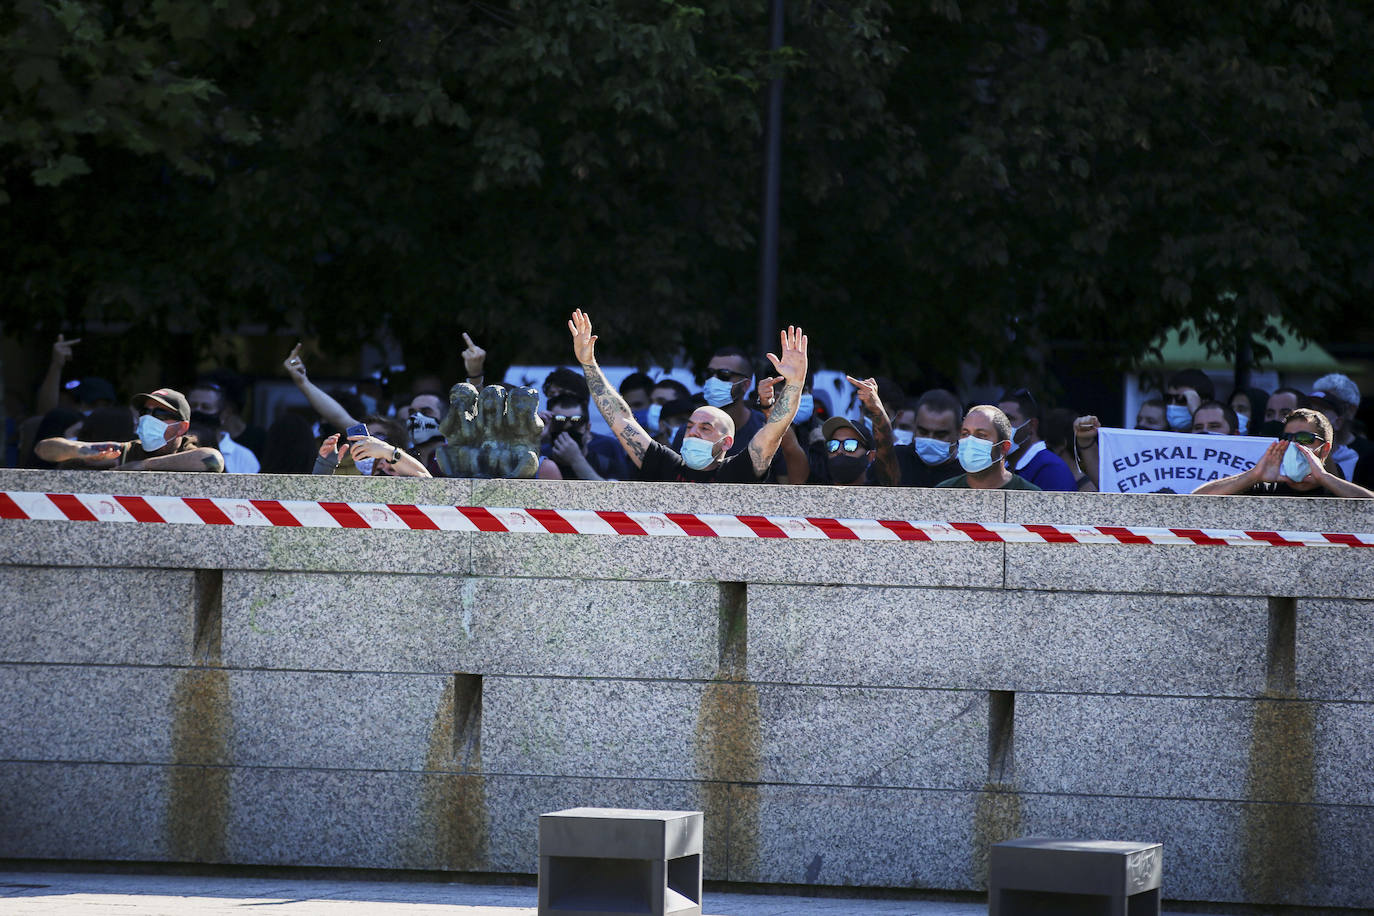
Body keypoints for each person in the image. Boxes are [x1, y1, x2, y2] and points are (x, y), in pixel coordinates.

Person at [570, 310, 806, 483]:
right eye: (691, 425)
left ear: (727, 442)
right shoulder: (665, 464)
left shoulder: (740, 470)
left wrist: (795, 382)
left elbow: (774, 431)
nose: (692, 432)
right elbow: (621, 419)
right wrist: (588, 363)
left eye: (705, 428)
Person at [1193, 409, 1372, 498]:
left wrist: (1325, 478)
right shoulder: (1268, 484)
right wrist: (1253, 475)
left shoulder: (1336, 490)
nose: (1294, 444)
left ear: (1325, 449)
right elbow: (1197, 498)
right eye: (1288, 437)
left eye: (1303, 437)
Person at [34, 388, 224, 472]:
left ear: (182, 427)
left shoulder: (187, 450)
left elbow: (212, 460)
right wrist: (82, 452)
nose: (149, 418)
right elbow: (43, 449)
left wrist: (144, 465)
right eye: (145, 412)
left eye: (159, 413)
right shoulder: (125, 451)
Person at [813, 377, 898, 486]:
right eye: (833, 445)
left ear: (870, 456)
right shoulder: (816, 488)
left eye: (850, 445)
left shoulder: (879, 491)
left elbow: (885, 446)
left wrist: (876, 409)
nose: (839, 450)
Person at [936, 406, 1041, 490]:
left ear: (1004, 447)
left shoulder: (1029, 495)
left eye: (981, 435)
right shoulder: (943, 491)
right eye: (965, 433)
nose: (970, 441)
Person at [997, 388, 1077, 491]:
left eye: (1009, 419)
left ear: (1031, 425)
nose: (1000, 427)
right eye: (997, 420)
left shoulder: (1051, 470)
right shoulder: (1002, 467)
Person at [543, 391, 630, 481]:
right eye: (560, 421)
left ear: (588, 428)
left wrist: (576, 460)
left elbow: (613, 494)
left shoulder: (607, 465)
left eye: (576, 421)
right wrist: (535, 437)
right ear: (550, 425)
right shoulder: (540, 463)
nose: (567, 428)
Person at [188, 379, 261, 473]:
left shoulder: (244, 457)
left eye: (206, 407)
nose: (198, 411)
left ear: (224, 414)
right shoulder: (175, 449)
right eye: (193, 406)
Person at [895, 389, 962, 487]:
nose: (930, 439)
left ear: (959, 432)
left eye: (940, 435)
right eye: (923, 432)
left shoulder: (969, 473)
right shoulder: (896, 460)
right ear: (914, 427)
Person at [1308, 374, 1370, 480]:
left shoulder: (1368, 454)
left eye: (1331, 403)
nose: (1315, 418)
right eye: (1311, 409)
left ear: (1351, 410)